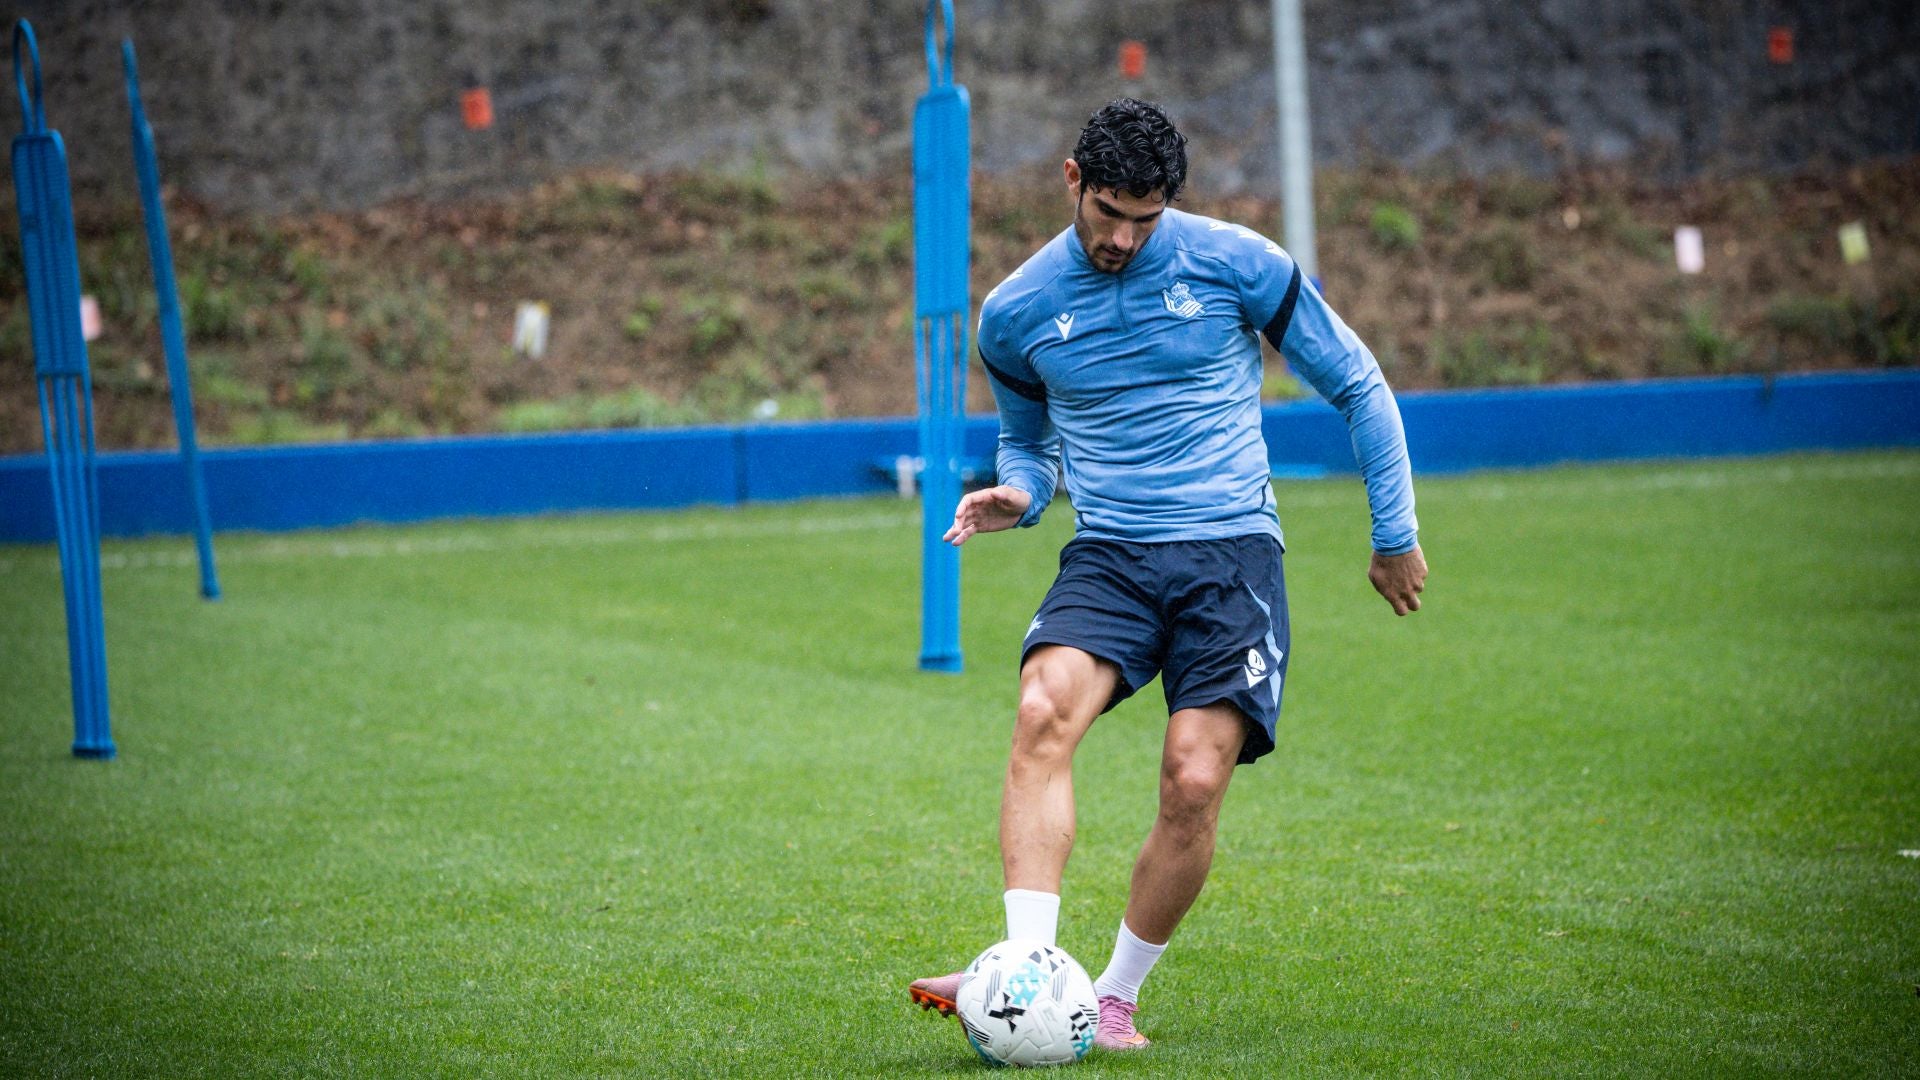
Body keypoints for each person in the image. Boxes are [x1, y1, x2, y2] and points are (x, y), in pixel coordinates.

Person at [907, 98, 1427, 1052]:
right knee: (1039, 710)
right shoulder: (1017, 312)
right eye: (1109, 212)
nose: (1125, 238)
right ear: (1073, 181)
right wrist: (1017, 495)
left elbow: (1357, 381)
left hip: (1231, 554)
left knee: (1193, 777)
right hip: (1109, 554)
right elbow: (1030, 446)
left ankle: (1109, 997)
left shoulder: (1238, 264)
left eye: (1146, 220)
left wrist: (1393, 532)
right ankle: (1028, 969)